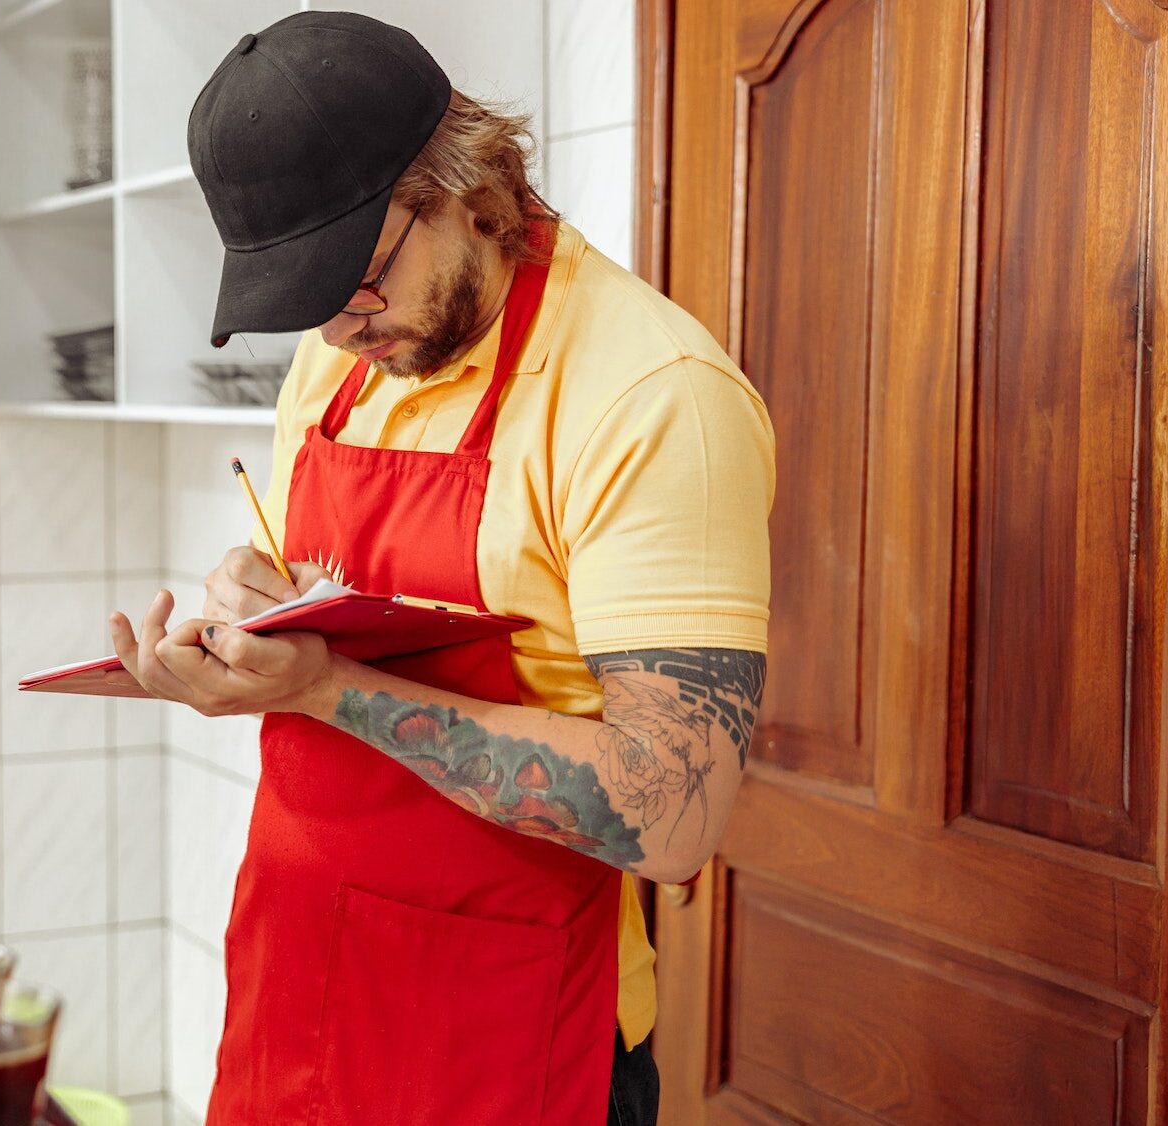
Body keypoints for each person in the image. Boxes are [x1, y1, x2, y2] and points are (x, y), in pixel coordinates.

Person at [106, 11, 774, 1126]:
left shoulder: (650, 397)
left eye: (358, 277)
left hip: (509, 1033)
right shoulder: (338, 367)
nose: (337, 324)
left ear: (476, 189)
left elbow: (673, 818)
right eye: (307, 297)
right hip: (302, 984)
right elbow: (320, 606)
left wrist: (323, 686)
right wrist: (248, 614)